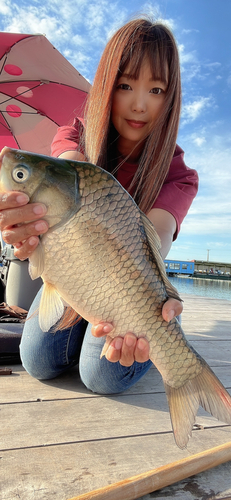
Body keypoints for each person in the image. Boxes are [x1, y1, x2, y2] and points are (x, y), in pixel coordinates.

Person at [0, 18, 198, 393]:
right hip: (74, 274)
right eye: (125, 85)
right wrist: (23, 222)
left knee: (102, 375)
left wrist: (144, 304)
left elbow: (156, 235)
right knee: (38, 363)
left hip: (127, 284)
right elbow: (69, 170)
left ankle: (166, 339)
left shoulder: (179, 174)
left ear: (171, 97)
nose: (139, 104)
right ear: (107, 85)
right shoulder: (75, 132)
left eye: (156, 89)